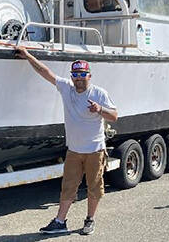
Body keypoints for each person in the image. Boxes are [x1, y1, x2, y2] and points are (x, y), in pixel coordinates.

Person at [15, 46, 118, 235]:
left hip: (95, 150)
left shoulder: (99, 94)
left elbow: (114, 116)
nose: (79, 78)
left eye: (83, 74)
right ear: (72, 76)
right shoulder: (66, 88)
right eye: (76, 74)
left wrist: (100, 110)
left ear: (89, 75)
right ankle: (60, 221)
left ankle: (90, 220)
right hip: (74, 150)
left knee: (94, 187)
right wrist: (28, 55)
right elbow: (45, 72)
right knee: (68, 187)